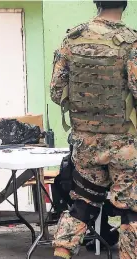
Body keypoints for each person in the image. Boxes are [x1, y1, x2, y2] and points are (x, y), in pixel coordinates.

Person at [49, 1, 137, 258]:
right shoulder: (131, 42)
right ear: (125, 4)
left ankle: (61, 253)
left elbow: (56, 91)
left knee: (83, 204)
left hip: (85, 143)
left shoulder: (72, 39)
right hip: (124, 144)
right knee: (131, 210)